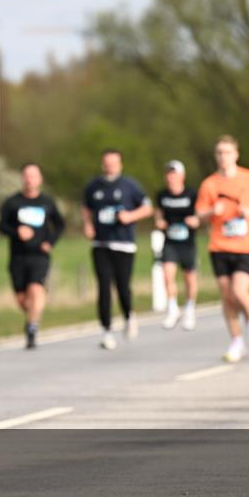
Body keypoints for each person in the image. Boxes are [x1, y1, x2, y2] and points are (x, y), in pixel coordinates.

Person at [195, 135, 249, 363]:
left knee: (240, 292)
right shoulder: (209, 184)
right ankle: (236, 340)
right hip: (219, 244)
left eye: (227, 152)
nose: (223, 157)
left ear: (236, 155)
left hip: (245, 244)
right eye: (219, 152)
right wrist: (212, 212)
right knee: (227, 297)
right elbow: (198, 214)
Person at [82, 149, 153, 350]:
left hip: (123, 244)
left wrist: (130, 217)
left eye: (113, 163)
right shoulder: (93, 186)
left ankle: (129, 315)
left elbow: (147, 207)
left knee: (122, 286)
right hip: (101, 244)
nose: (110, 166)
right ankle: (106, 331)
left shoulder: (129, 185)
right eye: (107, 163)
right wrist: (87, 225)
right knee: (104, 287)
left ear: (120, 164)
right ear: (102, 164)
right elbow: (86, 207)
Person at [0, 162, 65, 349]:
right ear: (22, 178)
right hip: (18, 256)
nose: (30, 179)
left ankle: (32, 328)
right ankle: (34, 314)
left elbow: (60, 225)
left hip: (39, 255)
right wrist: (16, 231)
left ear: (40, 179)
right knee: (22, 300)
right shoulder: (12, 202)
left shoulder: (47, 202)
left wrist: (50, 242)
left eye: (33, 175)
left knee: (36, 288)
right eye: (27, 175)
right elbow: (1, 226)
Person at [154, 160, 200, 330]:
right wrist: (159, 222)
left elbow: (200, 214)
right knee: (167, 274)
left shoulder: (191, 194)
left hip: (187, 241)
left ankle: (189, 308)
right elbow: (158, 214)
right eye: (169, 174)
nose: (171, 177)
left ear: (182, 176)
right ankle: (173, 308)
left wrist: (195, 220)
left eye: (174, 174)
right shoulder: (162, 195)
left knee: (189, 276)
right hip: (170, 241)